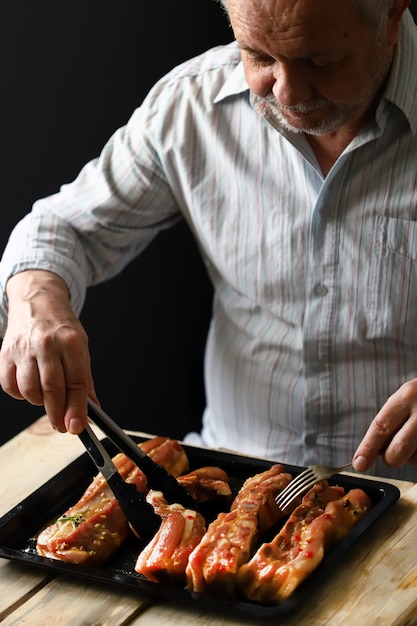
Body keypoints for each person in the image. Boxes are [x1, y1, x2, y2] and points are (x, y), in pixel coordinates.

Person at [0, 0, 416, 481]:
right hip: (228, 482)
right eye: (257, 55)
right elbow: (62, 228)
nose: (286, 91)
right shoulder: (192, 104)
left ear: (390, 15)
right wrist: (36, 301)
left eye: (319, 61)